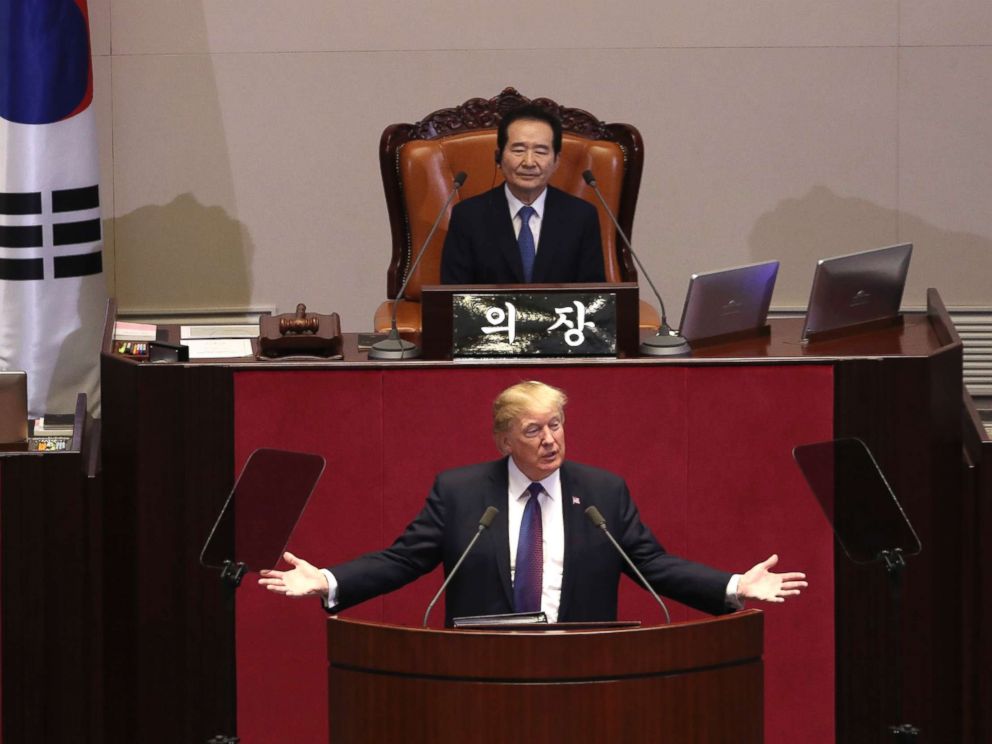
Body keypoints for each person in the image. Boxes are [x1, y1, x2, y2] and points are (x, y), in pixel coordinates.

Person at [259, 381, 807, 626]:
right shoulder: (461, 492)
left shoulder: (602, 492)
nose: (550, 440)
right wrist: (329, 580)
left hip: (583, 670)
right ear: (504, 441)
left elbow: (653, 565)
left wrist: (735, 585)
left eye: (557, 425)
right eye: (533, 430)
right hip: (480, 674)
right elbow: (403, 559)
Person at [439, 105, 607, 285]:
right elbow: (454, 295)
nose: (529, 162)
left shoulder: (581, 216)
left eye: (541, 152)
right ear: (499, 157)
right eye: (518, 150)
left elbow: (593, 296)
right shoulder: (468, 216)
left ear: (556, 161)